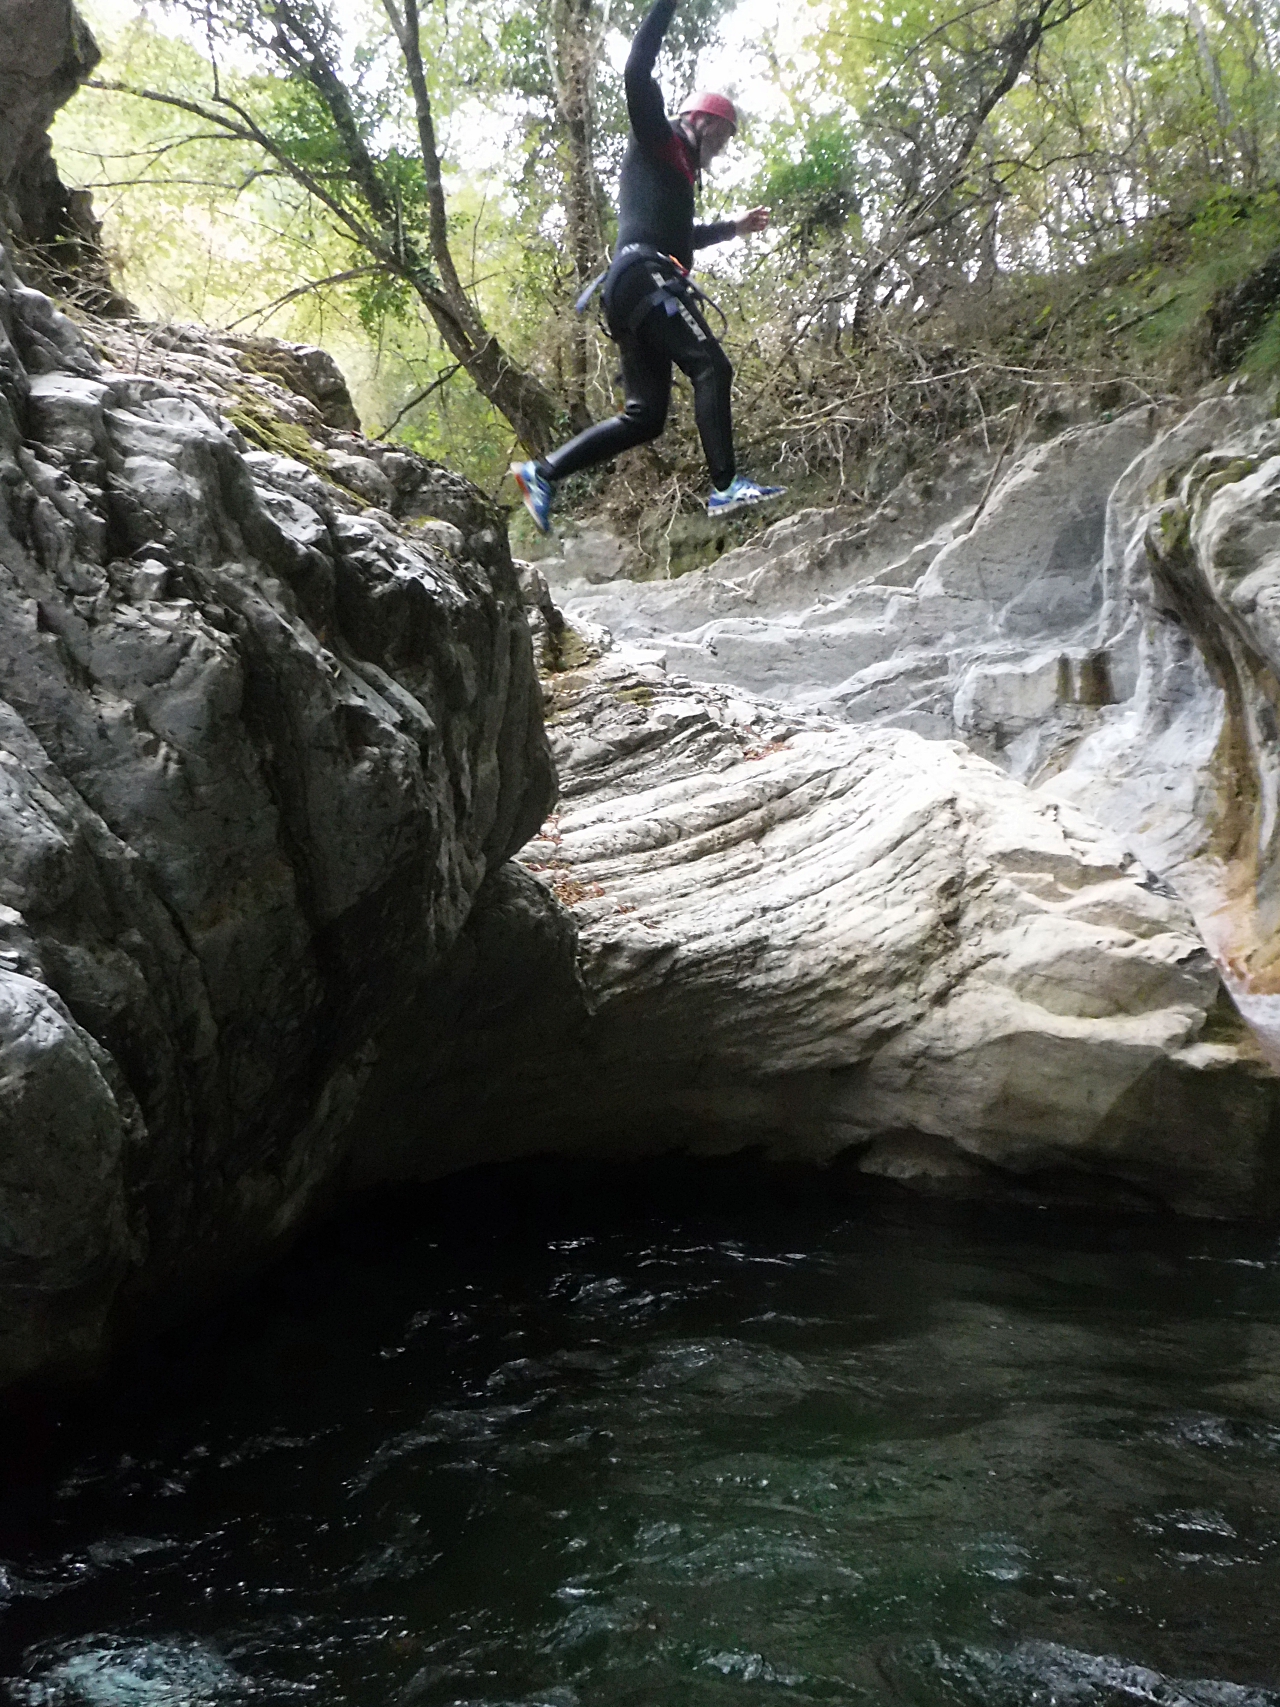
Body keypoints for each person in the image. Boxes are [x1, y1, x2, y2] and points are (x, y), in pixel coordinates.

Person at [510, 0, 785, 534]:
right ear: (701, 121)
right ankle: (726, 487)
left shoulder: (677, 176)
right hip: (643, 277)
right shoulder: (658, 139)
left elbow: (682, 238)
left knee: (646, 417)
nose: (722, 150)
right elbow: (637, 69)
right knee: (711, 367)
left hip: (631, 286)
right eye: (723, 137)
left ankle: (540, 473)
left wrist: (735, 228)